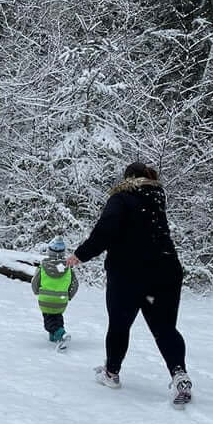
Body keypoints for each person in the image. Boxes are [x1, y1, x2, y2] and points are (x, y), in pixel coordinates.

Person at [68, 162, 192, 405]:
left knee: (119, 325)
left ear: (127, 178)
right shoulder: (157, 198)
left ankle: (111, 373)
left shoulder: (122, 197)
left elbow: (104, 232)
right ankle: (180, 375)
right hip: (166, 272)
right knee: (165, 328)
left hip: (128, 273)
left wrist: (80, 255)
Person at [31, 236, 79, 348]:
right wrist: (68, 296)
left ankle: (61, 334)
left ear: (49, 251)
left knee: (49, 321)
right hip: (61, 300)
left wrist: (37, 291)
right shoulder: (68, 268)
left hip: (45, 299)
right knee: (57, 316)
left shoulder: (42, 266)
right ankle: (55, 337)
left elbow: (35, 282)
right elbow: (75, 285)